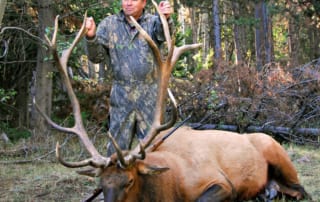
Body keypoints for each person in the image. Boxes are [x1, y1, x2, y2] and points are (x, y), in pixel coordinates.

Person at [85, 0, 173, 155]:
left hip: (150, 98)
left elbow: (163, 33)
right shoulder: (109, 25)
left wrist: (165, 19)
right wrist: (91, 37)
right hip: (121, 97)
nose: (128, 3)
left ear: (144, 2)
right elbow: (96, 57)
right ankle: (118, 179)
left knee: (154, 149)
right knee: (116, 151)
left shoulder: (153, 22)